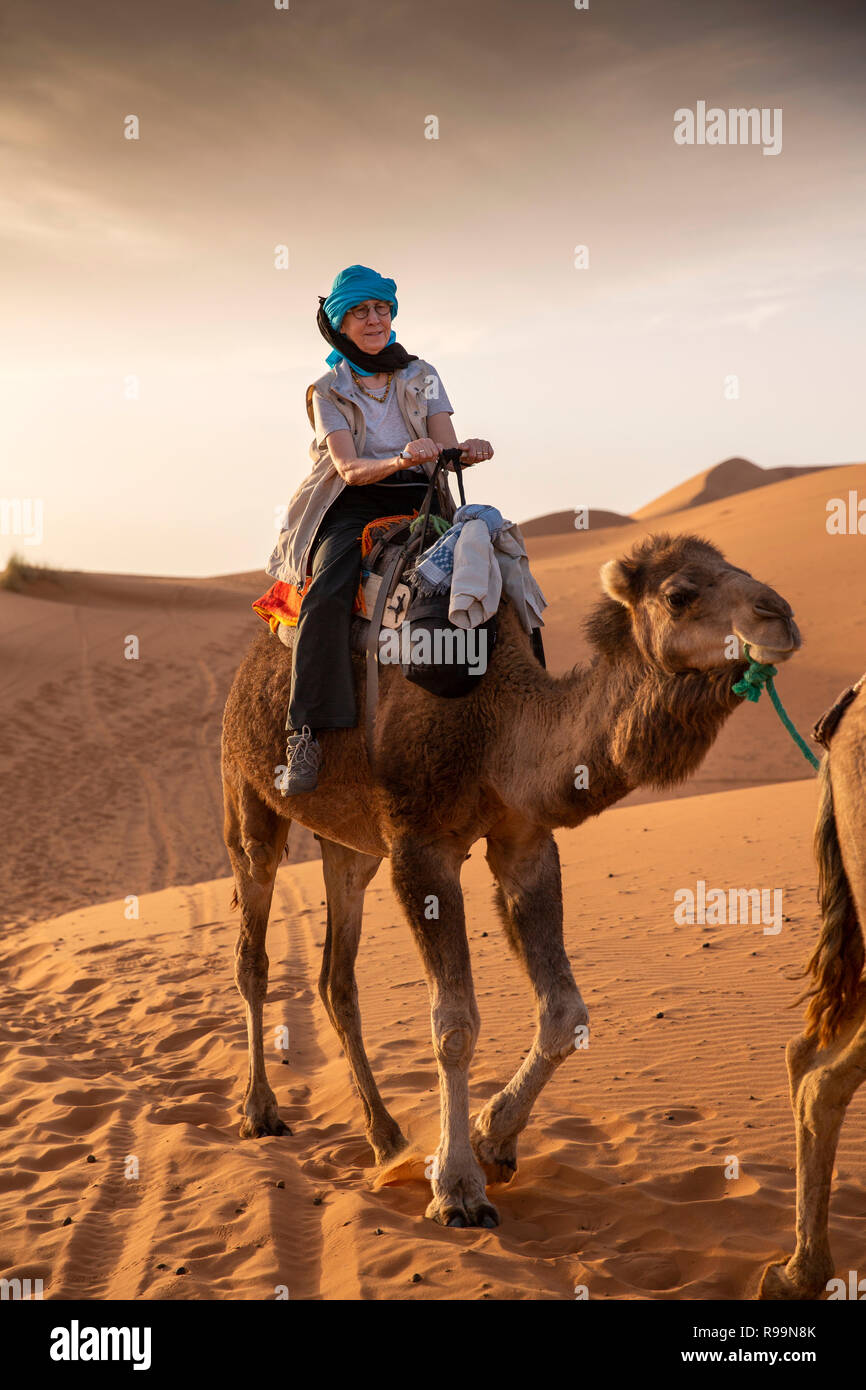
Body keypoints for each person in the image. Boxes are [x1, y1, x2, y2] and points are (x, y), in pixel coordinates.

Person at [266, 264, 494, 793]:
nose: (375, 320)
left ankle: (518, 701)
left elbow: (445, 445)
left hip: (421, 497)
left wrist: (468, 453)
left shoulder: (422, 374)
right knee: (327, 591)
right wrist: (398, 458)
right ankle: (305, 735)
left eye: (383, 309)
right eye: (362, 311)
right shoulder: (326, 389)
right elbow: (348, 468)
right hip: (353, 502)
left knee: (499, 562)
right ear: (340, 323)